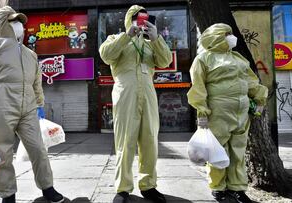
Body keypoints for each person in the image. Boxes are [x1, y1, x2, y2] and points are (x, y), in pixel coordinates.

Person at [0, 6, 64, 203]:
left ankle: (47, 187)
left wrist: (39, 104)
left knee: (38, 148)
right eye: (13, 21)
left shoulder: (30, 54)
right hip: (0, 104)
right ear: (2, 23)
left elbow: (36, 82)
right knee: (3, 153)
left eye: (19, 21)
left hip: (28, 106)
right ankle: (8, 194)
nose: (19, 26)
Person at [187, 23, 268, 203]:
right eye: (227, 34)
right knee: (217, 151)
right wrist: (202, 112)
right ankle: (218, 188)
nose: (232, 37)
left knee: (238, 152)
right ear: (217, 36)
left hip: (241, 112)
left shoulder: (238, 58)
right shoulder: (204, 59)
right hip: (218, 112)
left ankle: (237, 188)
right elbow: (198, 87)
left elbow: (251, 81)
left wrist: (260, 99)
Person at [99, 5, 172, 203]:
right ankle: (122, 188)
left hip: (148, 92)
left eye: (144, 18)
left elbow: (165, 61)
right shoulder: (116, 39)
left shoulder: (151, 42)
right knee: (125, 140)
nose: (141, 21)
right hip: (126, 93)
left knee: (150, 140)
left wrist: (156, 38)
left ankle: (148, 186)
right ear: (130, 20)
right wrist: (127, 36)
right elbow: (106, 55)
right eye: (137, 18)